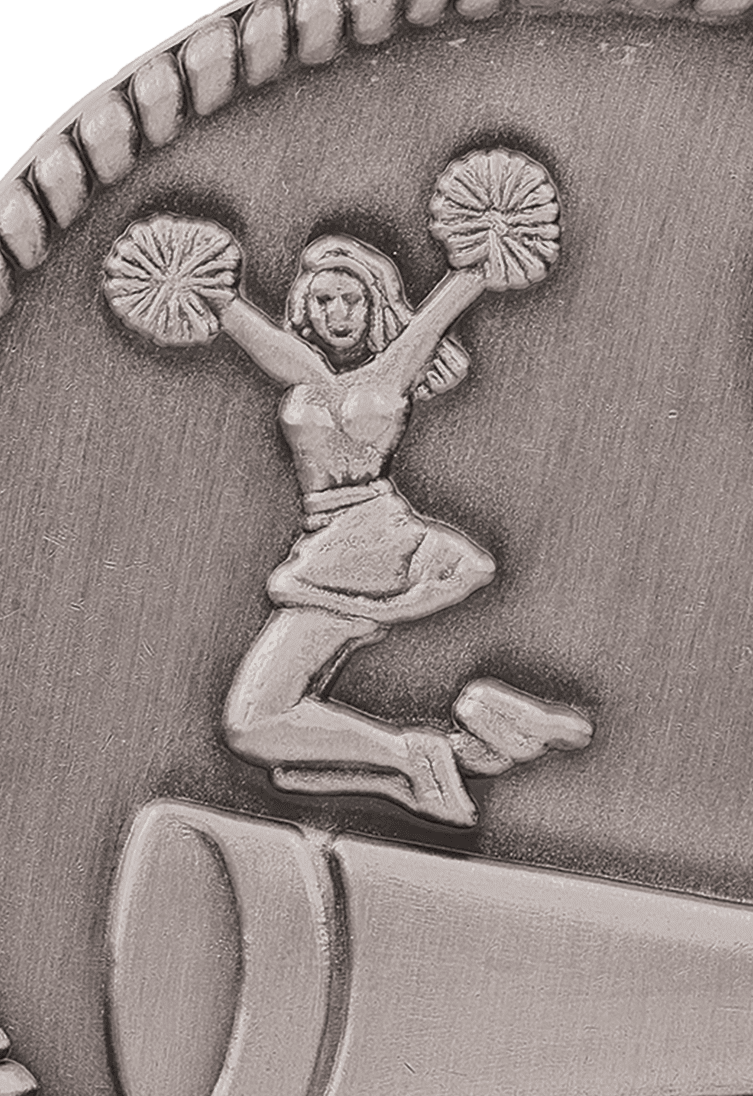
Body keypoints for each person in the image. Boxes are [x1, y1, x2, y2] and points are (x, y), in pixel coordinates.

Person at [214, 232, 587, 828]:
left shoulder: (390, 373)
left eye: (352, 300)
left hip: (361, 543)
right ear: (305, 307)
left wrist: (484, 255)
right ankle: (479, 739)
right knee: (279, 752)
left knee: (251, 723)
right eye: (323, 301)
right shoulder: (307, 370)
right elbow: (252, 329)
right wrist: (207, 293)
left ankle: (416, 758)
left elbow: (447, 303)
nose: (337, 314)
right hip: (331, 540)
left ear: (374, 305)